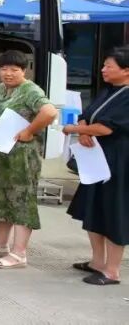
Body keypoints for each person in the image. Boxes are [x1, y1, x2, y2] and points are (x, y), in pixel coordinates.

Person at [0, 50, 58, 269]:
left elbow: (49, 113)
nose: (8, 73)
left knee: (21, 200)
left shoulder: (30, 90)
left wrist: (29, 131)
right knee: (1, 197)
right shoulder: (1, 88)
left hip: (22, 158)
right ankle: (1, 244)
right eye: (4, 69)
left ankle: (19, 253)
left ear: (24, 71)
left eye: (14, 69)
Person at [64, 46, 129, 285]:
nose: (103, 70)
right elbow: (88, 116)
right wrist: (83, 130)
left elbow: (107, 128)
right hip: (96, 160)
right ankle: (97, 262)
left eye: (109, 66)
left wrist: (73, 129)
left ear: (126, 70)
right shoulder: (109, 90)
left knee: (114, 212)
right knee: (93, 209)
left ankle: (112, 270)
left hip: (118, 162)